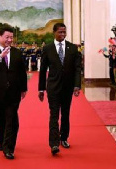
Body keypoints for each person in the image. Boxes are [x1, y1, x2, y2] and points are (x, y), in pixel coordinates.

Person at [0, 24, 28, 160]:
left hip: (13, 92)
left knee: (11, 119)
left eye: (11, 37)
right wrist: (0, 56)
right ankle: (2, 141)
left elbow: (22, 72)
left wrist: (24, 88)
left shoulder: (17, 53)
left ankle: (9, 148)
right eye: (7, 37)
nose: (9, 40)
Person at [38, 23, 81, 155]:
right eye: (60, 32)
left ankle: (64, 138)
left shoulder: (73, 48)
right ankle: (54, 144)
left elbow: (77, 69)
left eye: (64, 32)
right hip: (53, 87)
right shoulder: (48, 49)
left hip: (67, 88)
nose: (62, 34)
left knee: (66, 114)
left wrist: (77, 85)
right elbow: (43, 69)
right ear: (54, 33)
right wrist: (41, 89)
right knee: (54, 114)